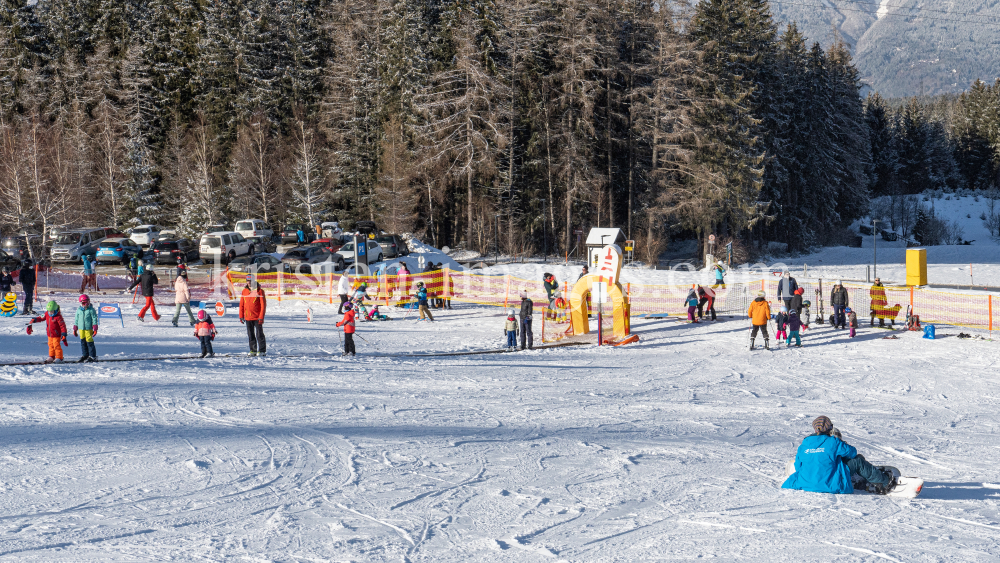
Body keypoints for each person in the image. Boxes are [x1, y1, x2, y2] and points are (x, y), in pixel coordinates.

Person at [782, 416, 894, 495]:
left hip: (805, 483)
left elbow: (798, 466)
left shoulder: (804, 444)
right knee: (858, 461)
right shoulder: (833, 441)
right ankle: (884, 483)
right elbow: (852, 452)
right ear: (829, 428)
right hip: (830, 484)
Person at [239, 275, 267, 356]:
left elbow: (263, 306)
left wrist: (261, 317)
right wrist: (241, 316)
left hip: (257, 318)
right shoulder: (244, 291)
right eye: (247, 281)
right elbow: (242, 304)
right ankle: (253, 350)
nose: (249, 283)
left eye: (250, 281)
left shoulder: (260, 291)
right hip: (248, 317)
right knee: (250, 334)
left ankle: (262, 350)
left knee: (259, 334)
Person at [74, 294, 99, 362]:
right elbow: (76, 319)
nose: (86, 304)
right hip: (81, 328)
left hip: (88, 328)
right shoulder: (79, 310)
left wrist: (95, 327)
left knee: (89, 341)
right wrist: (75, 328)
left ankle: (92, 356)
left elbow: (94, 318)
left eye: (87, 302)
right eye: (84, 303)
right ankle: (85, 355)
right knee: (83, 341)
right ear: (81, 303)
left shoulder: (91, 310)